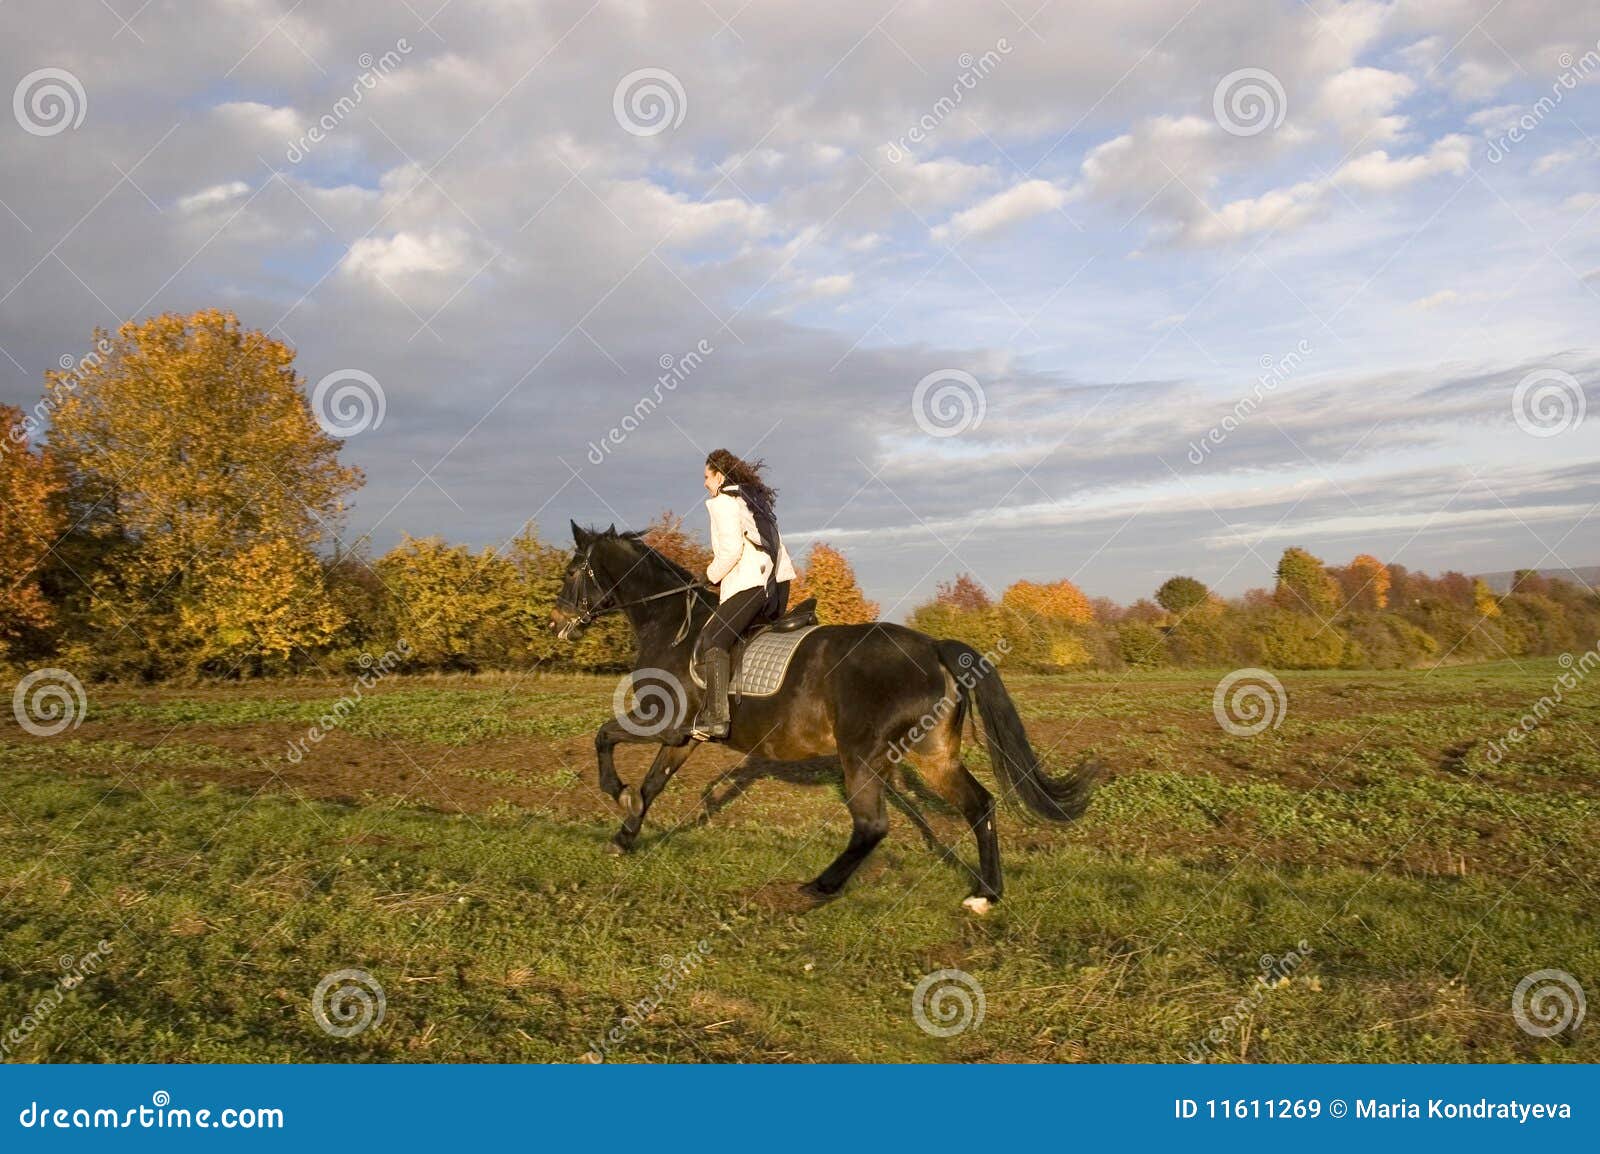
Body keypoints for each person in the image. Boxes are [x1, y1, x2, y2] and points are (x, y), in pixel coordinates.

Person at [690, 449, 795, 740]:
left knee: (713, 638)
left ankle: (716, 717)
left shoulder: (724, 501)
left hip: (752, 584)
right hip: (776, 585)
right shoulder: (748, 499)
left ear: (720, 476)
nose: (704, 484)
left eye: (707, 476)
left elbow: (731, 551)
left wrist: (707, 576)